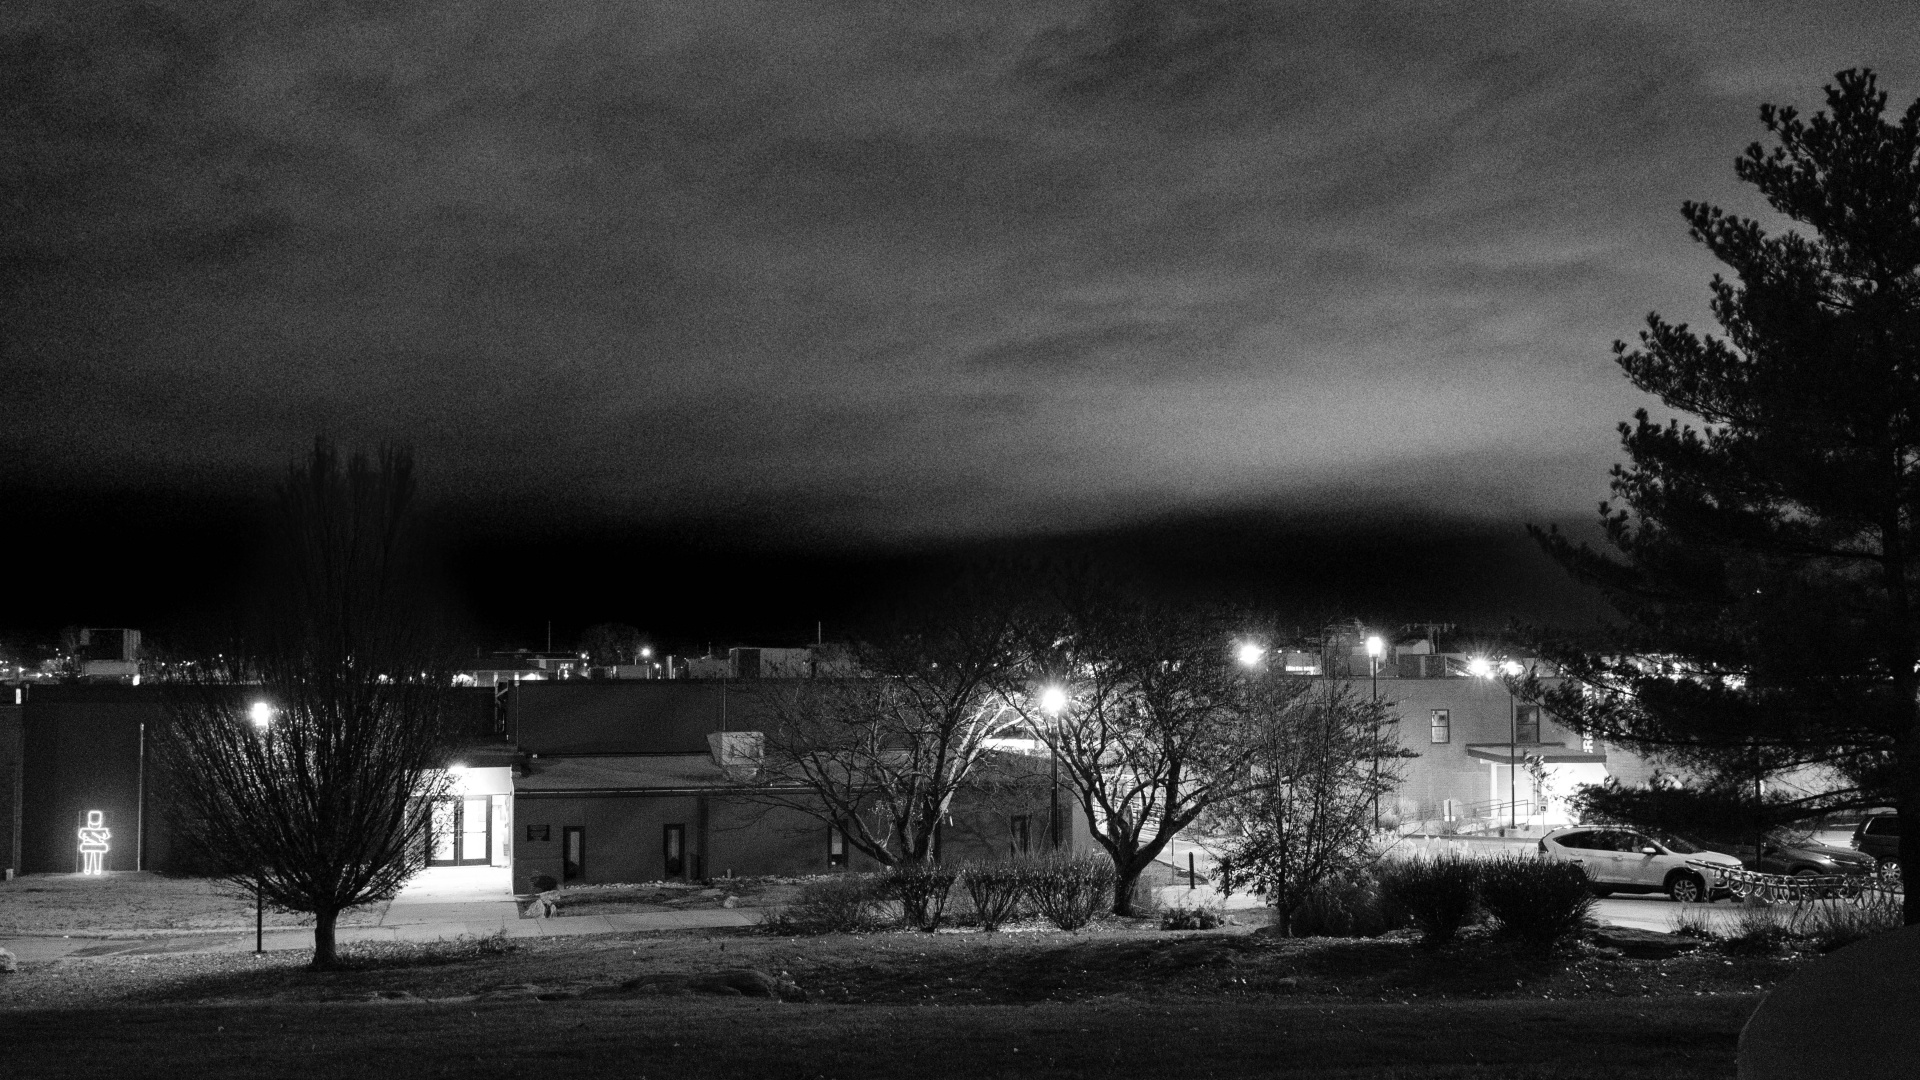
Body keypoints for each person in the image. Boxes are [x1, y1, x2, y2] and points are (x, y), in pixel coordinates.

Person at [77, 810, 110, 875]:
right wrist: (84, 836)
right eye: (93, 825)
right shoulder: (85, 830)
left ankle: (97, 870)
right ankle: (87, 869)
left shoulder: (102, 830)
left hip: (98, 846)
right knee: (88, 858)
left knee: (97, 858)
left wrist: (103, 836)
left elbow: (106, 835)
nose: (94, 826)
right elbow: (81, 835)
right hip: (88, 846)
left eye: (96, 825)